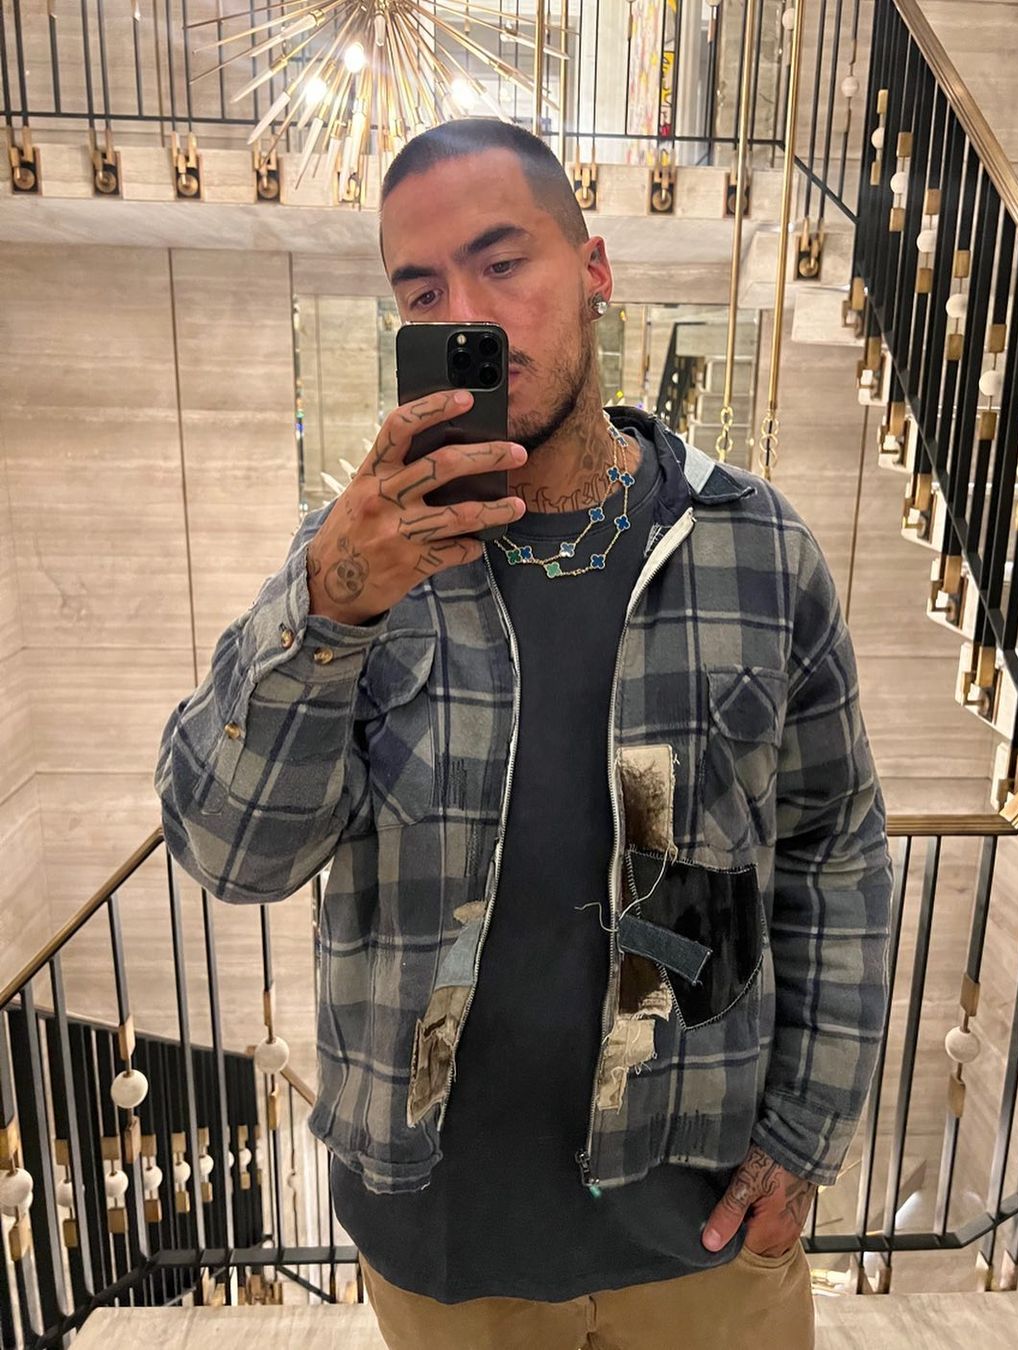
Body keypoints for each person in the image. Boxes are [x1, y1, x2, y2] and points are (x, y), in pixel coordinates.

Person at [155, 117, 893, 1350]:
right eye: (423, 291)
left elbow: (836, 849)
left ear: (593, 268)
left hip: (700, 1225)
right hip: (448, 1251)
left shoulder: (757, 551)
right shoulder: (359, 567)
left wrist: (806, 1132)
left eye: (504, 264)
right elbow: (232, 854)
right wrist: (329, 604)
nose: (471, 317)